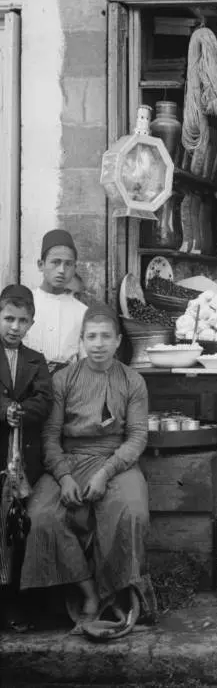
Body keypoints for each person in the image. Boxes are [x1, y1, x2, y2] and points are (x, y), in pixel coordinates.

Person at [20, 303, 156, 626]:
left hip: (115, 462)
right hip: (68, 460)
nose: (98, 343)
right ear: (81, 340)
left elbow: (137, 437)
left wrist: (105, 472)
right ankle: (89, 592)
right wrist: (64, 477)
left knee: (132, 512)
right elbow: (50, 437)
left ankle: (118, 594)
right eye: (91, 336)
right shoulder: (63, 380)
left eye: (105, 336)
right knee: (40, 517)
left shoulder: (133, 380)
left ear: (118, 340)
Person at [0, 285, 53, 631]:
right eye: (8, 318)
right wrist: (4, 410)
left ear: (31, 324)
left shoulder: (36, 361)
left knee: (17, 529)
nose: (14, 327)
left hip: (25, 462)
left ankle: (15, 605)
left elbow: (45, 399)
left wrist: (23, 411)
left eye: (22, 320)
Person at [25, 230, 87, 374]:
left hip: (67, 386)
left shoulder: (82, 312)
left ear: (75, 268)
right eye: (55, 262)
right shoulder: (25, 303)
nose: (61, 270)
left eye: (68, 264)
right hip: (27, 386)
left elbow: (85, 360)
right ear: (41, 265)